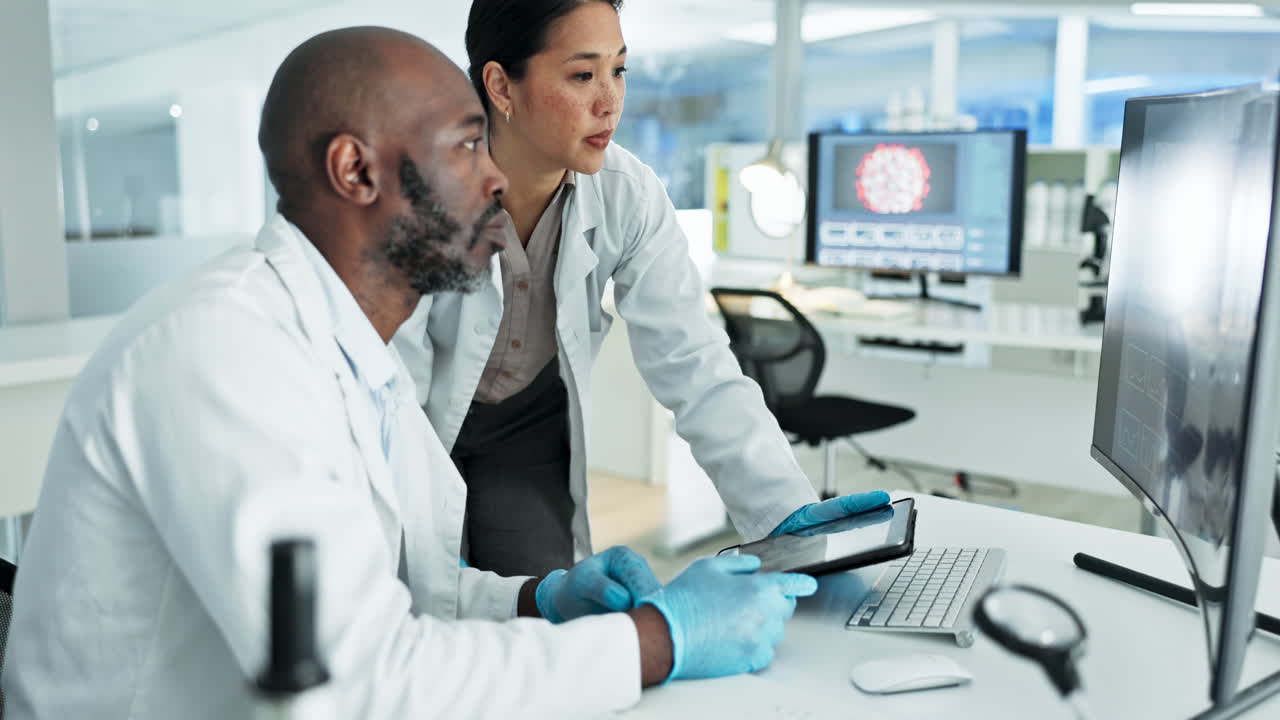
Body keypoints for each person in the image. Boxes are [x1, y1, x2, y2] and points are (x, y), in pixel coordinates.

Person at [1, 27, 817, 720]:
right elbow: (354, 683)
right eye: (466, 145)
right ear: (355, 171)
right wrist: (658, 640)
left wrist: (537, 600)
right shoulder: (224, 350)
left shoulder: (360, 364)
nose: (494, 177)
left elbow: (407, 593)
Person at [393, 0, 890, 577]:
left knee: (538, 601)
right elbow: (388, 383)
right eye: (583, 75)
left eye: (619, 70)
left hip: (526, 431)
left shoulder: (627, 193)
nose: (610, 102)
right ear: (502, 86)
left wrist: (786, 512)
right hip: (413, 420)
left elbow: (695, 361)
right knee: (409, 585)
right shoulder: (419, 193)